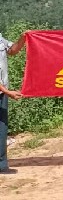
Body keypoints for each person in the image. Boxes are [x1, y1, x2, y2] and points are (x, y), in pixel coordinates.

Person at [0, 33, 26, 174]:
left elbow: (12, 51)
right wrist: (8, 92)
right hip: (3, 90)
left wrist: (23, 38)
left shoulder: (0, 38)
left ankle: (2, 165)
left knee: (2, 128)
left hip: (2, 92)